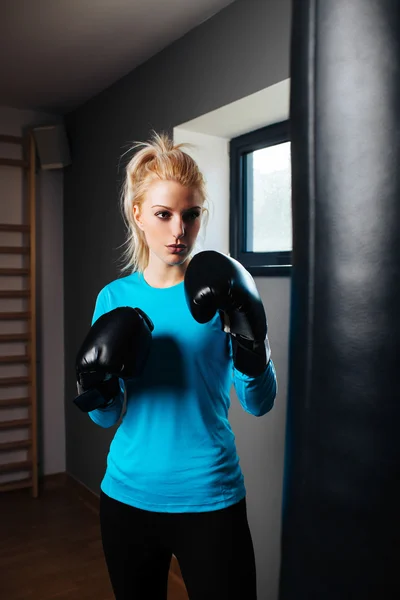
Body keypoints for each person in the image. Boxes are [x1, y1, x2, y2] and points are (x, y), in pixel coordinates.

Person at [74, 132, 277, 600]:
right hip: (127, 497)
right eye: (164, 214)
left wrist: (251, 337)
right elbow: (107, 415)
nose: (178, 230)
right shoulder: (114, 298)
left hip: (211, 496)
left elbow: (259, 403)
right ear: (138, 213)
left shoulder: (226, 288)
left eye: (190, 214)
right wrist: (96, 382)